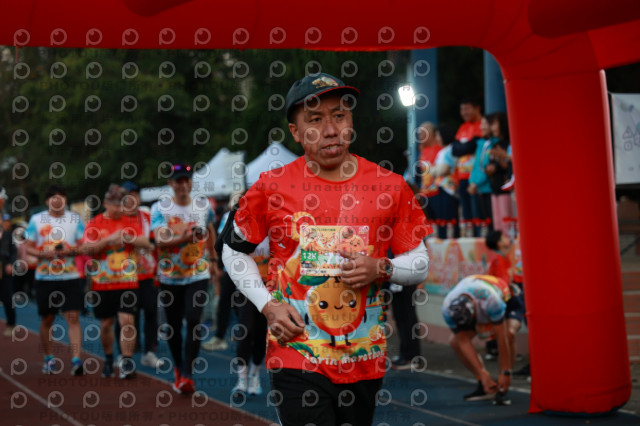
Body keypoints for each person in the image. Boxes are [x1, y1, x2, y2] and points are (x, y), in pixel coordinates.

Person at [218, 72, 431, 425]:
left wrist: (381, 268)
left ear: (351, 121)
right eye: (315, 120)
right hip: (296, 353)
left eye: (339, 115)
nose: (330, 129)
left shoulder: (390, 186)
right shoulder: (271, 186)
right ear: (296, 132)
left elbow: (420, 261)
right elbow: (233, 250)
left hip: (363, 358)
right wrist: (267, 305)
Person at [150, 162, 218, 394]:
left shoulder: (203, 205)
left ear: (191, 183)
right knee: (174, 325)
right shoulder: (160, 208)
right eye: (178, 181)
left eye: (186, 180)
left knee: (194, 319)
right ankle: (179, 367)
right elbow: (160, 240)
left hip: (197, 273)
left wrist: (213, 260)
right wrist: (185, 238)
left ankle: (188, 373)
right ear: (171, 184)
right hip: (170, 276)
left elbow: (210, 230)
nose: (183, 185)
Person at [83, 184, 152, 379]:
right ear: (106, 203)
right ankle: (108, 357)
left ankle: (127, 361)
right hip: (102, 282)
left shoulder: (129, 221)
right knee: (106, 323)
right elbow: (87, 249)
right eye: (116, 205)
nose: (120, 209)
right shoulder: (95, 223)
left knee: (127, 320)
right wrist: (107, 240)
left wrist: (127, 237)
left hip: (127, 281)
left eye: (123, 204)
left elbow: (146, 243)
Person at [25, 184, 85, 375]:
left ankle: (76, 360)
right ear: (47, 201)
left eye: (61, 196)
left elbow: (84, 245)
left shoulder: (75, 218)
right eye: (53, 197)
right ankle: (49, 359)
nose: (57, 200)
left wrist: (70, 250)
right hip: (45, 277)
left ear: (65, 199)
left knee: (73, 317)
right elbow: (28, 246)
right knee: (47, 319)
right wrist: (43, 254)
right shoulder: (36, 220)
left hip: (70, 276)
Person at [442, 274, 514, 404]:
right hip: (475, 295)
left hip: (502, 293)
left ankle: (504, 385)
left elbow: (501, 338)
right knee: (455, 342)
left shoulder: (491, 301)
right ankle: (483, 382)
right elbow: (463, 340)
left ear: (475, 310)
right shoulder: (447, 309)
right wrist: (482, 373)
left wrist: (505, 372)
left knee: (509, 334)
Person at [119, 181, 164, 368]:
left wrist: (159, 269)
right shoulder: (116, 218)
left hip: (147, 274)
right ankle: (123, 354)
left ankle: (149, 352)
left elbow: (156, 244)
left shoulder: (147, 217)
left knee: (151, 312)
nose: (132, 199)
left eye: (135, 195)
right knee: (125, 317)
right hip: (123, 277)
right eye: (127, 196)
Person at [230, 237, 269, 397]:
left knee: (261, 333)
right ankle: (241, 379)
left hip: (268, 287)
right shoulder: (244, 229)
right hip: (245, 286)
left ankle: (254, 374)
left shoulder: (276, 230)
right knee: (245, 330)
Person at [453, 98, 484, 233]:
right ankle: (470, 240)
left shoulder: (482, 124)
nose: (464, 112)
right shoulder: (463, 127)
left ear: (477, 108)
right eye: (462, 109)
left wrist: (464, 146)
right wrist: (467, 146)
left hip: (477, 177)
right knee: (467, 214)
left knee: (478, 213)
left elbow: (473, 146)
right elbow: (455, 149)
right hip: (462, 177)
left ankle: (480, 239)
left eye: (467, 108)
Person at [485, 112, 514, 234]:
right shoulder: (495, 144)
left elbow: (508, 165)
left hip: (505, 188)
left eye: (494, 124)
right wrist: (489, 169)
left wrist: (502, 156)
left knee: (506, 221)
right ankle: (500, 243)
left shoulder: (510, 142)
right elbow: (492, 164)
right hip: (495, 187)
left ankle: (508, 242)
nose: (492, 128)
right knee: (497, 223)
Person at [467, 114, 494, 235]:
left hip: (489, 188)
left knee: (492, 221)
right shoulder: (480, 143)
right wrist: (472, 182)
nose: (482, 127)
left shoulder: (494, 143)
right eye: (481, 124)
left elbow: (487, 165)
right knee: (483, 222)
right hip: (478, 188)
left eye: (485, 124)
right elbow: (476, 165)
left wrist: (475, 183)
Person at [432, 124, 460, 239]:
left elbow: (445, 169)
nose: (437, 139)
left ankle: (451, 240)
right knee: (442, 216)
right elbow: (435, 170)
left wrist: (435, 170)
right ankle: (443, 239)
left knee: (450, 217)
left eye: (438, 136)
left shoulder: (451, 149)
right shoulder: (441, 152)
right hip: (441, 187)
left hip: (450, 189)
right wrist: (436, 170)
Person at [1, 211, 17, 337]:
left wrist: (11, 264)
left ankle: (11, 325)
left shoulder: (8, 235)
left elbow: (14, 252)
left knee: (7, 299)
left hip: (5, 270)